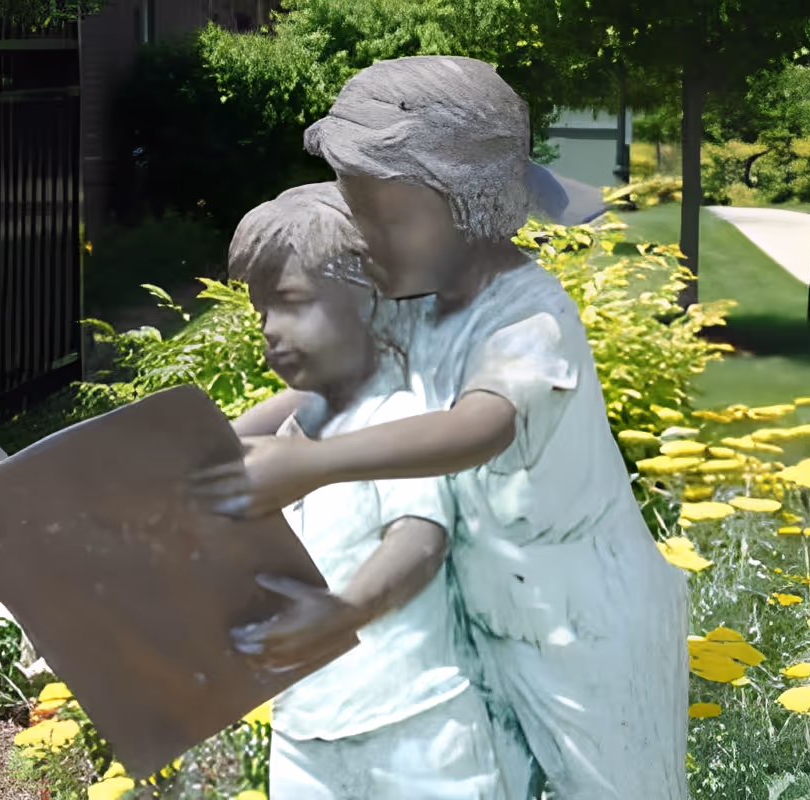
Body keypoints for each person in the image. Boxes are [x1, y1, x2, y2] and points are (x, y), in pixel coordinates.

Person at [199, 57, 689, 800]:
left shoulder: (527, 317)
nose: (366, 242)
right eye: (359, 216)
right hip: (490, 614)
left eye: (385, 221)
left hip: (585, 622)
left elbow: (478, 427)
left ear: (467, 207)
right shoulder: (417, 302)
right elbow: (334, 388)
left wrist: (314, 464)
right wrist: (221, 441)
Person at [227, 183, 507, 799]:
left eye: (291, 303)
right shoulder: (302, 425)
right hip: (306, 726)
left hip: (411, 726)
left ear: (374, 299)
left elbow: (419, 538)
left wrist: (346, 610)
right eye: (261, 312)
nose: (270, 330)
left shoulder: (395, 418)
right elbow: (219, 455)